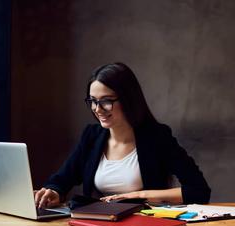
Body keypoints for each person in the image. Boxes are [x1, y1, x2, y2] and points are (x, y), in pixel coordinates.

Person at [35, 62, 211, 209]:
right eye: (93, 101)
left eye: (106, 101)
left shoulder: (157, 137)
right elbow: (62, 179)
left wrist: (140, 195)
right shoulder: (92, 136)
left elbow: (199, 190)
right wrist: (53, 191)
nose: (97, 109)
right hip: (98, 225)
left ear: (128, 99)